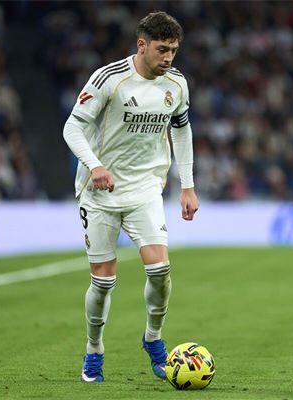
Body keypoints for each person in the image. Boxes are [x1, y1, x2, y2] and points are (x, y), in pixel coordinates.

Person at [63, 11, 199, 383]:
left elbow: (182, 130)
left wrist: (187, 186)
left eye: (173, 50)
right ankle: (94, 350)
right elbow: (72, 127)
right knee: (103, 282)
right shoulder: (109, 79)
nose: (169, 57)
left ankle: (153, 338)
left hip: (145, 190)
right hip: (99, 193)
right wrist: (94, 166)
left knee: (160, 270)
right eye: (162, 49)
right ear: (141, 45)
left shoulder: (177, 84)